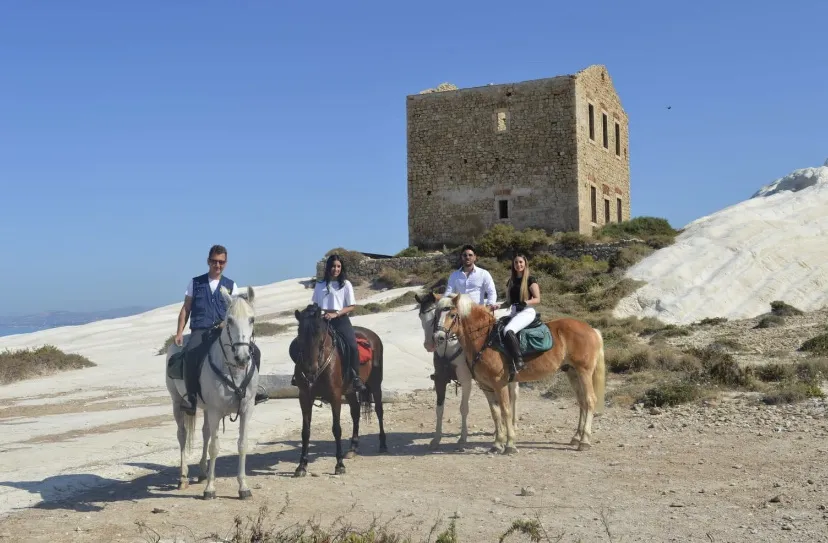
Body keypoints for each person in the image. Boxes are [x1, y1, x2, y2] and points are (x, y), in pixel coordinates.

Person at [174, 244, 268, 415]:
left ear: (226, 263)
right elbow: (186, 308)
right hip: (200, 330)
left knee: (256, 352)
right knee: (190, 354)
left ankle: (253, 391)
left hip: (223, 331)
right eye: (214, 261)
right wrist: (180, 332)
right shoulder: (195, 283)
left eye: (221, 262)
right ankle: (192, 398)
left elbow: (237, 311)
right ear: (208, 261)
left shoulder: (232, 285)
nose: (218, 265)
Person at [308, 254, 366, 392]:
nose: (336, 269)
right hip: (322, 319)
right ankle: (303, 374)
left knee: (352, 345)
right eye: (333, 266)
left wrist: (336, 314)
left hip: (340, 319)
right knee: (306, 343)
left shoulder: (346, 285)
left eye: (338, 266)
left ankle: (355, 377)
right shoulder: (320, 284)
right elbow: (316, 304)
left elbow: (351, 306)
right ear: (329, 267)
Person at [502, 253, 541, 379]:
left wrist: (524, 303)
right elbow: (508, 302)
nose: (518, 265)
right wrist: (495, 306)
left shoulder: (530, 279)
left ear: (525, 264)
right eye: (516, 263)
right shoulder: (511, 281)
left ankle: (519, 362)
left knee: (508, 330)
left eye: (520, 262)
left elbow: (537, 299)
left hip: (527, 311)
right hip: (514, 311)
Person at [443, 244, 498, 309]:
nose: (467, 257)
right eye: (465, 255)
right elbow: (448, 293)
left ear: (475, 257)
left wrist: (489, 305)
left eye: (470, 255)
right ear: (461, 257)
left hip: (477, 313)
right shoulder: (454, 275)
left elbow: (492, 292)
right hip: (460, 313)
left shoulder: (483, 274)